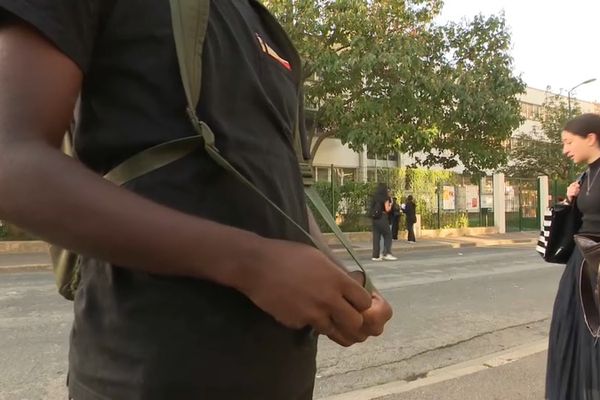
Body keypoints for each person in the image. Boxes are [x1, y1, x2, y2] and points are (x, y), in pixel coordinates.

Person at [0, 2, 392, 399]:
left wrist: (340, 281)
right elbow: (12, 164)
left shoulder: (264, 26)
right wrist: (251, 264)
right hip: (147, 377)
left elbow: (277, 184)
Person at [546, 113, 600, 399]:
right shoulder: (585, 175)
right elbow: (578, 223)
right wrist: (570, 201)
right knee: (572, 329)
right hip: (580, 263)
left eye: (569, 142)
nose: (565, 149)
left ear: (590, 138)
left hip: (598, 265)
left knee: (594, 334)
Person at [370, 183, 397, 261]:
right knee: (388, 235)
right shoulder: (385, 197)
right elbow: (387, 209)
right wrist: (391, 204)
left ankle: (375, 256)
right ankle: (387, 253)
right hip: (382, 217)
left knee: (376, 237)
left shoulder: (374, 197)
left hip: (374, 219)